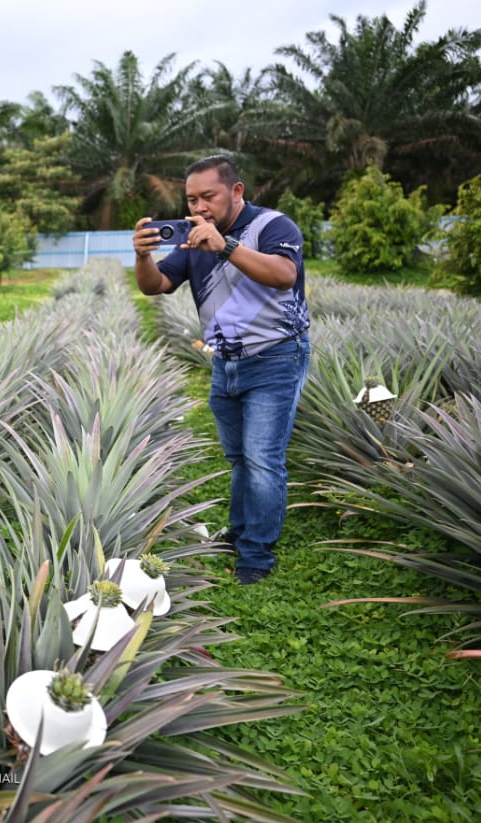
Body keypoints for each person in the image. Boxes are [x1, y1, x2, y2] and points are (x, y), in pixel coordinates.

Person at [132, 154, 310, 585]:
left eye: (207, 197)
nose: (198, 208)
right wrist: (142, 257)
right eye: (191, 200)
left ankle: (256, 555)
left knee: (263, 459)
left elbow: (285, 275)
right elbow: (155, 286)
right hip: (226, 362)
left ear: (236, 191)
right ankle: (240, 530)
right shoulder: (192, 240)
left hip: (276, 357)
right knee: (238, 458)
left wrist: (225, 246)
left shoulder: (273, 226)